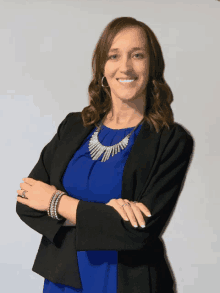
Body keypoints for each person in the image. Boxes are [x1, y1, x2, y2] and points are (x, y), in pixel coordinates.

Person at [16, 16, 194, 293]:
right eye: (114, 56)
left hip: (129, 282)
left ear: (152, 66)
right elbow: (27, 201)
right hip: (63, 281)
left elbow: (139, 232)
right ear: (102, 67)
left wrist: (55, 201)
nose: (125, 67)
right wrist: (107, 214)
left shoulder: (171, 140)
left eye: (137, 55)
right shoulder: (73, 126)